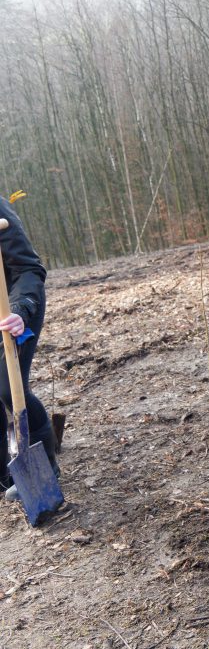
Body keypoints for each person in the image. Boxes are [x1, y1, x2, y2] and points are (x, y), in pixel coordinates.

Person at [1, 197, 60, 500]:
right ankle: (5, 471)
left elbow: (28, 268)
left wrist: (20, 309)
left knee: (8, 387)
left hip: (15, 308)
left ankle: (45, 467)